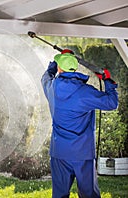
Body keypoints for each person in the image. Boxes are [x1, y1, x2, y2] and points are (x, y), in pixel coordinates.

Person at [41, 50, 118, 198]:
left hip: (59, 153)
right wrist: (108, 82)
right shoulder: (86, 92)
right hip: (82, 153)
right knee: (89, 195)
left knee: (59, 195)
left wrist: (56, 62)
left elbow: (46, 76)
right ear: (74, 68)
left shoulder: (51, 87)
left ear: (59, 69)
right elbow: (112, 102)